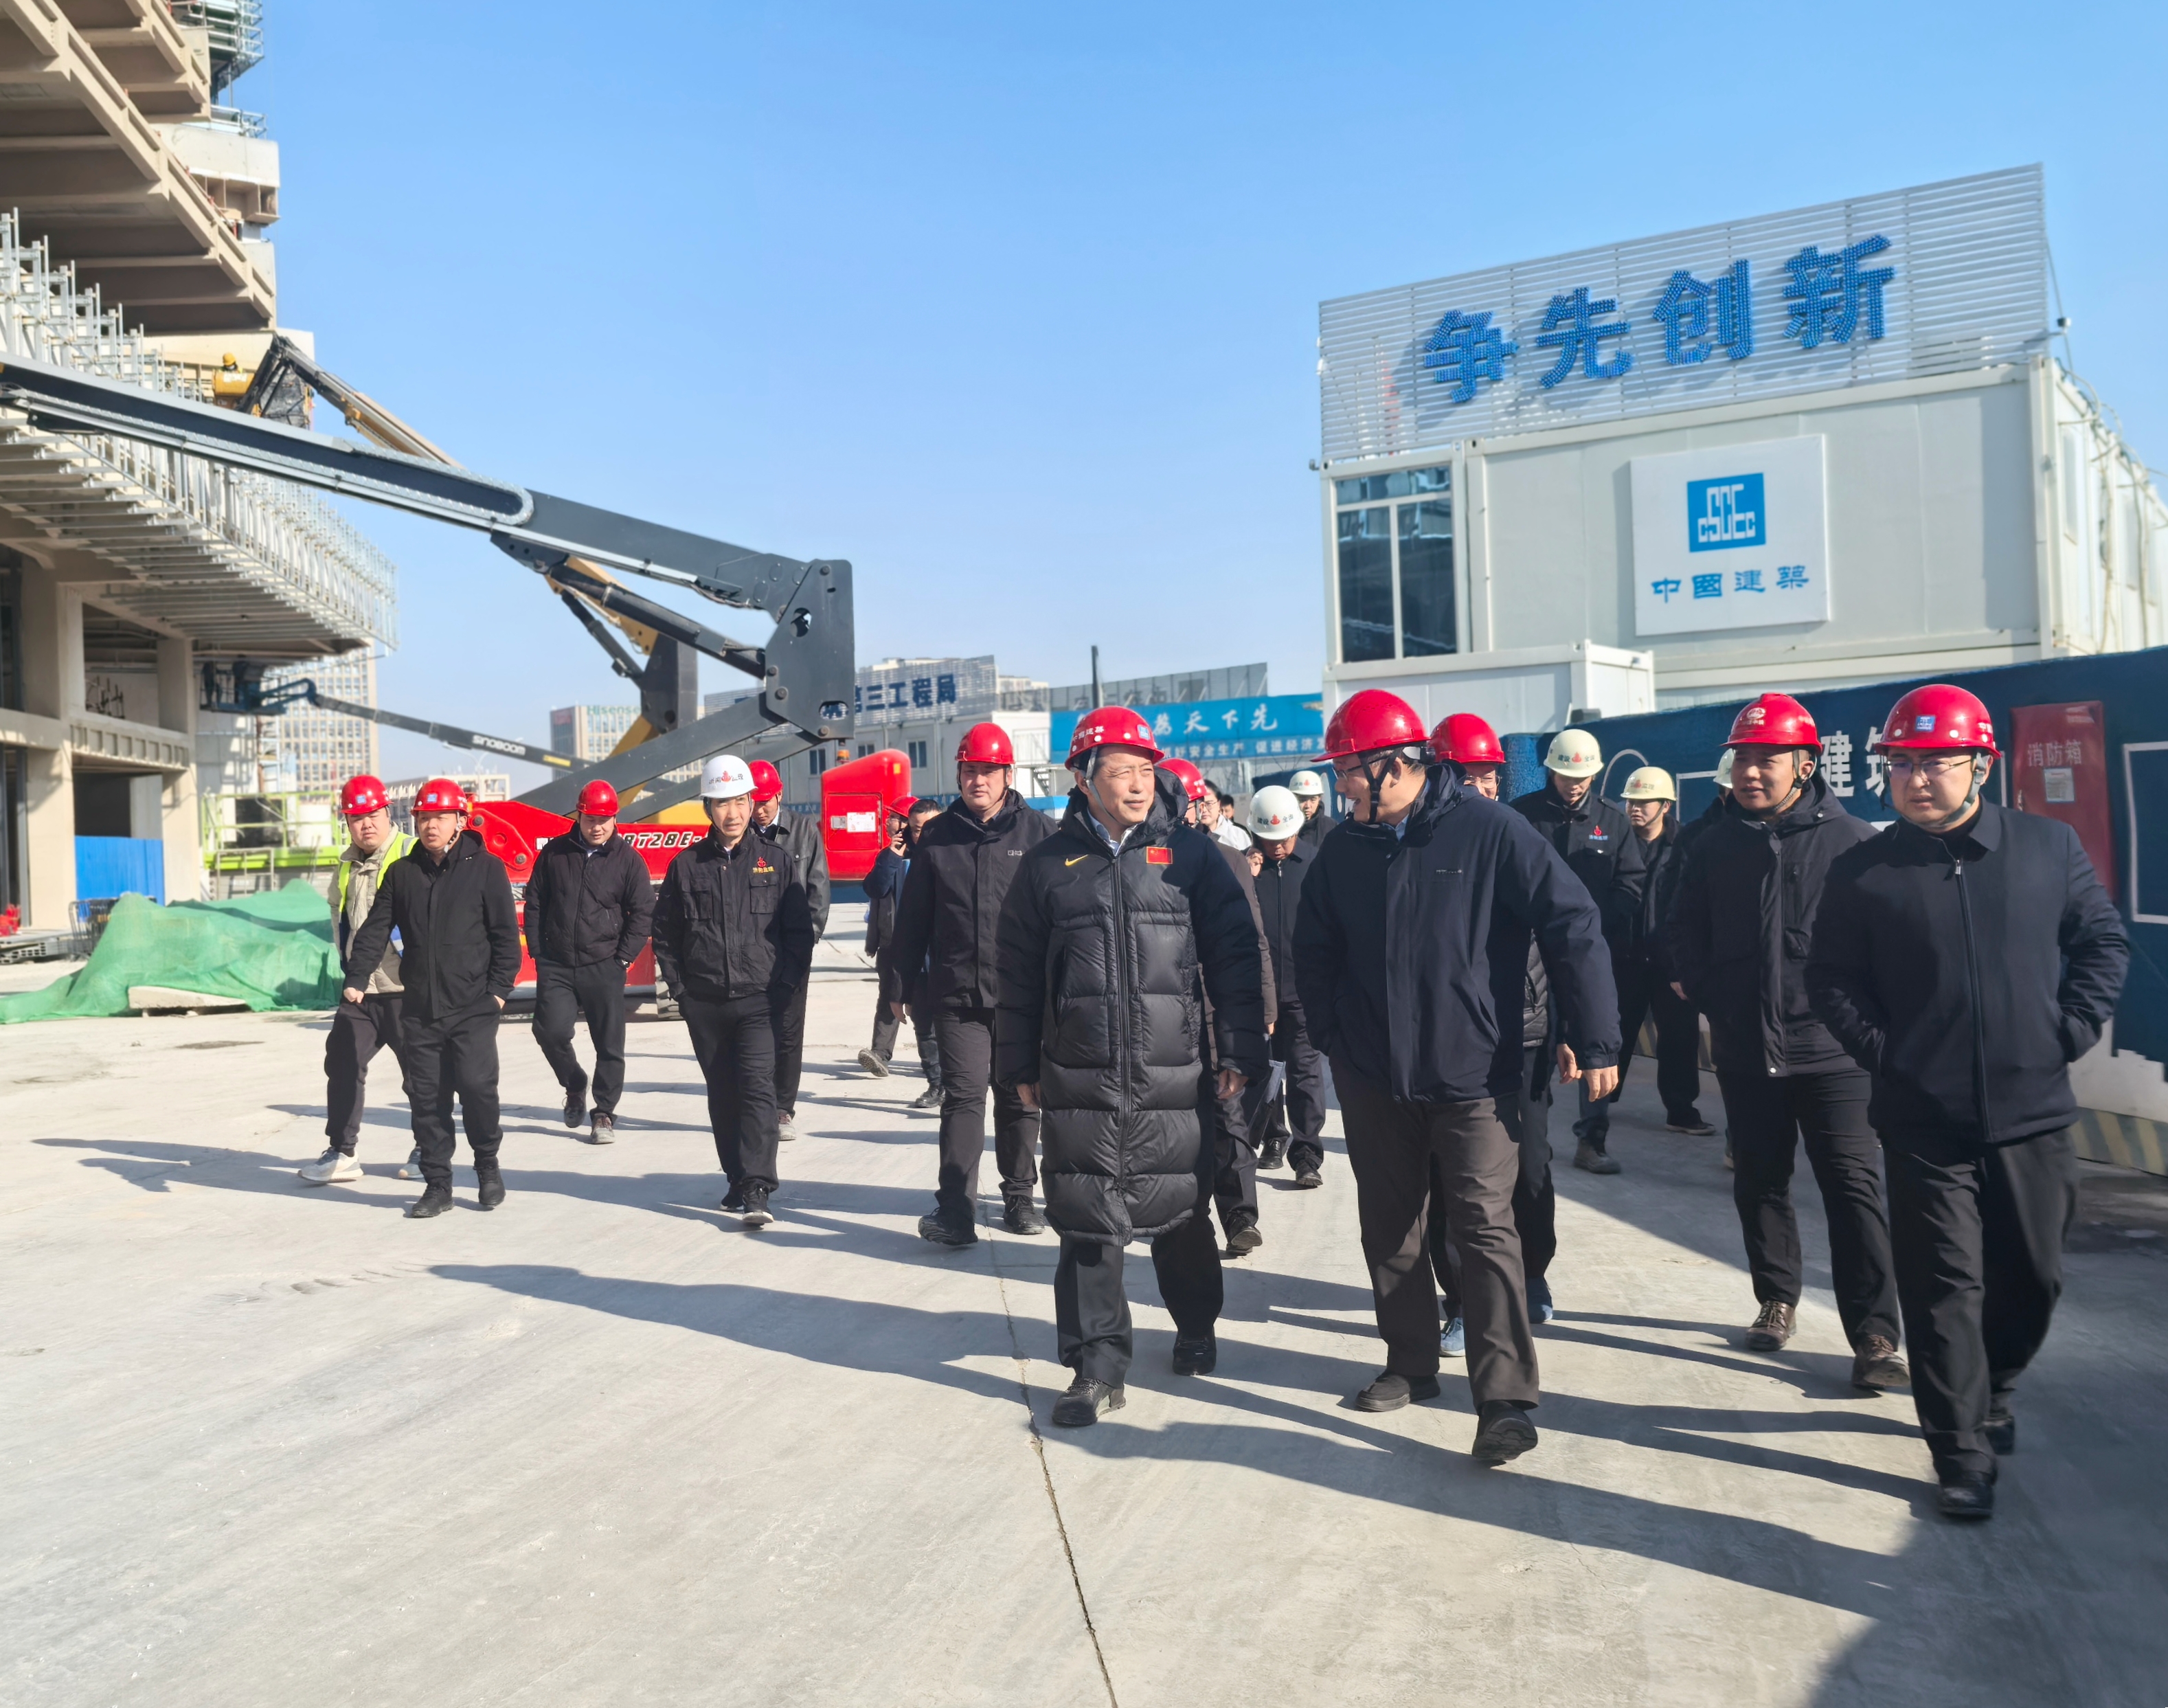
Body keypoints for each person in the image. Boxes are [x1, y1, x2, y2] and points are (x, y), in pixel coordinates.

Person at [1809, 684, 2127, 1521]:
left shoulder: (2045, 848)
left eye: (1934, 763)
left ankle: (1997, 1386)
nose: (1915, 780)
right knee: (1941, 1285)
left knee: (2033, 1276)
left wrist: (2068, 1030)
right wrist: (1889, 1056)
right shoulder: (1864, 870)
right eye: (1900, 764)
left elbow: (2101, 939)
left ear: (1981, 764)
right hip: (1923, 1121)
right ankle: (1958, 1450)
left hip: (2034, 1112)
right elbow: (1831, 977)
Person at [1295, 690, 1619, 1465]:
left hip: (1475, 1072)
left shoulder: (1489, 830)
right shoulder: (1345, 849)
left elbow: (1572, 921)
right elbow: (1313, 949)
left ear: (1392, 764)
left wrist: (1596, 1036)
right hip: (1375, 1075)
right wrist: (1337, 1038)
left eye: (1349, 770)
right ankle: (1410, 1363)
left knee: (1484, 1226)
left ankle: (1504, 1399)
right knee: (1391, 1222)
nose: (1341, 785)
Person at [995, 707, 1265, 1426]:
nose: (1139, 785)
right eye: (1122, 772)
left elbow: (1236, 953)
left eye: (1146, 770)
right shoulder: (1049, 866)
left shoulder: (1191, 856)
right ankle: (1095, 1365)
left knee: (1180, 1210)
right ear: (1085, 780)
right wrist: (1017, 1061)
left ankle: (1196, 1323)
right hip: (1080, 1071)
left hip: (1174, 1068)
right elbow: (1016, 973)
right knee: (1087, 1220)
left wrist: (1239, 1047)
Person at [1667, 693, 1908, 1390]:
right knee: (1760, 1180)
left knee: (1854, 1189)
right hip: (1746, 1048)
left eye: (1766, 758)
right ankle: (1776, 1298)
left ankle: (1875, 1334)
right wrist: (1715, 996)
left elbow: (1887, 947)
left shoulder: (1854, 843)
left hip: (1835, 1054)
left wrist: (1865, 1028)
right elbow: (1682, 932)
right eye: (1742, 758)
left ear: (1805, 764)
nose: (1749, 771)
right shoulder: (1711, 846)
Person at [881, 721, 1055, 1244]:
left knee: (1019, 1098)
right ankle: (955, 1211)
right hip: (957, 993)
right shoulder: (937, 836)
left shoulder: (1041, 834)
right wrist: (898, 985)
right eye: (969, 770)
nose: (978, 780)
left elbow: (1061, 917)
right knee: (962, 1098)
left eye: (988, 771)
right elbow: (913, 917)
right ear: (958, 774)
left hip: (1022, 997)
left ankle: (1020, 1199)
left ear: (1008, 774)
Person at [1423, 713, 1564, 1353]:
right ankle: (1460, 1301)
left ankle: (1531, 1273)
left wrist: (1573, 1031)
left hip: (1522, 1036)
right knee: (1451, 1182)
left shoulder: (1517, 838)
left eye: (1490, 777)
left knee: (1530, 1170)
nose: (1482, 788)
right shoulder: (1416, 846)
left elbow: (1563, 935)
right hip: (1447, 1046)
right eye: (1469, 775)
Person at [342, 777, 522, 1218]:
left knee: (478, 1090)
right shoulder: (403, 874)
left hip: (473, 1007)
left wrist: (498, 994)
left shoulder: (487, 869)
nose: (430, 825)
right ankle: (438, 1185)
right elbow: (375, 929)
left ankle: (487, 1168)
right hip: (420, 1010)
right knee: (427, 1099)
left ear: (460, 820)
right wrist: (357, 976)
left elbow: (505, 937)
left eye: (440, 817)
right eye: (424, 818)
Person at [652, 754, 815, 1229]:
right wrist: (682, 992)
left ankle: (758, 1185)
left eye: (741, 801)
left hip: (760, 1000)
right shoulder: (686, 866)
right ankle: (737, 1176)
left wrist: (784, 987)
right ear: (708, 807)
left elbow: (798, 934)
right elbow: (665, 934)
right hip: (705, 1003)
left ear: (751, 803)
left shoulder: (776, 862)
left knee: (758, 1090)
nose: (734, 812)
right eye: (723, 803)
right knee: (723, 1095)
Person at [1511, 728, 1645, 1175]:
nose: (1575, 784)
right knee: (1538, 1050)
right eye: (1567, 776)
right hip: (1533, 959)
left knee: (1596, 1045)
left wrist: (1593, 929)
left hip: (1590, 958)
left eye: (1583, 776)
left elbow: (1631, 883)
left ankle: (1592, 1140)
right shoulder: (1522, 817)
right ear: (1551, 771)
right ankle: (1535, 1138)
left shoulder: (1613, 822)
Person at [1164, 758, 1277, 1252]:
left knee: (1229, 1118)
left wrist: (1264, 1009)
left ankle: (1240, 1216)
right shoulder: (1146, 861)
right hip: (1166, 1016)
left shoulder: (1229, 860)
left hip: (1217, 1009)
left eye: (1192, 804)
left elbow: (1252, 941)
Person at [300, 774, 417, 1185]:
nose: (365, 824)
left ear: (387, 813)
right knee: (342, 1061)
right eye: (356, 818)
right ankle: (342, 1151)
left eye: (372, 815)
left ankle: (428, 1148)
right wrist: (350, 967)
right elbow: (340, 918)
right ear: (347, 823)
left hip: (406, 988)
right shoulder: (346, 864)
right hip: (361, 989)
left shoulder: (412, 853)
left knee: (421, 1072)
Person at [523, 776, 653, 1145]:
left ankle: (604, 1113)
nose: (597, 827)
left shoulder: (628, 861)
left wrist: (623, 958)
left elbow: (643, 911)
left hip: (604, 963)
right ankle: (574, 1082)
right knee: (548, 1032)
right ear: (578, 817)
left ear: (615, 819)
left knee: (609, 1045)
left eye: (604, 820)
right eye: (590, 819)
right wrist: (539, 952)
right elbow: (535, 902)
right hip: (558, 964)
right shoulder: (555, 854)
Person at [1613, 767, 1711, 1136]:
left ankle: (1681, 1111)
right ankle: (1599, 1104)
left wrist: (1685, 963)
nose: (1634, 808)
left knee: (1679, 1038)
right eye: (1630, 801)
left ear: (1666, 805)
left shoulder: (1686, 846)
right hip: (1624, 960)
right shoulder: (1616, 843)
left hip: (1671, 963)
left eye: (1644, 802)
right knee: (1615, 1032)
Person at [1245, 783, 1328, 1193]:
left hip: (1305, 990)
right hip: (1258, 993)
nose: (1277, 846)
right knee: (1265, 1070)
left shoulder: (1316, 864)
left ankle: (1307, 1154)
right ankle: (1274, 1137)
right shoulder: (1246, 868)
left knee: (1305, 1071)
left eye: (1284, 838)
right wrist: (1245, 870)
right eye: (1268, 838)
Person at [751, 759, 830, 1141]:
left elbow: (819, 889)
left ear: (779, 795)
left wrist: (806, 944)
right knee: (753, 1029)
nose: (758, 809)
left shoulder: (803, 830)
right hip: (750, 952)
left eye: (765, 801)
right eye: (752, 801)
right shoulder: (738, 833)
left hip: (792, 950)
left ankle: (783, 1108)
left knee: (788, 1030)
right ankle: (757, 1104)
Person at [859, 796, 943, 1108]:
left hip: (945, 954)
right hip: (900, 947)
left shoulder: (953, 854)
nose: (923, 834)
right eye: (917, 828)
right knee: (915, 1016)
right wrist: (891, 857)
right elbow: (875, 888)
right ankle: (935, 1083)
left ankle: (959, 1080)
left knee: (950, 1025)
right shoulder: (897, 858)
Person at [1289, 769, 1333, 850]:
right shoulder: (1284, 827)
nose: (1308, 806)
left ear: (1320, 799)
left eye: (1313, 800)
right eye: (1302, 799)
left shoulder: (1331, 827)